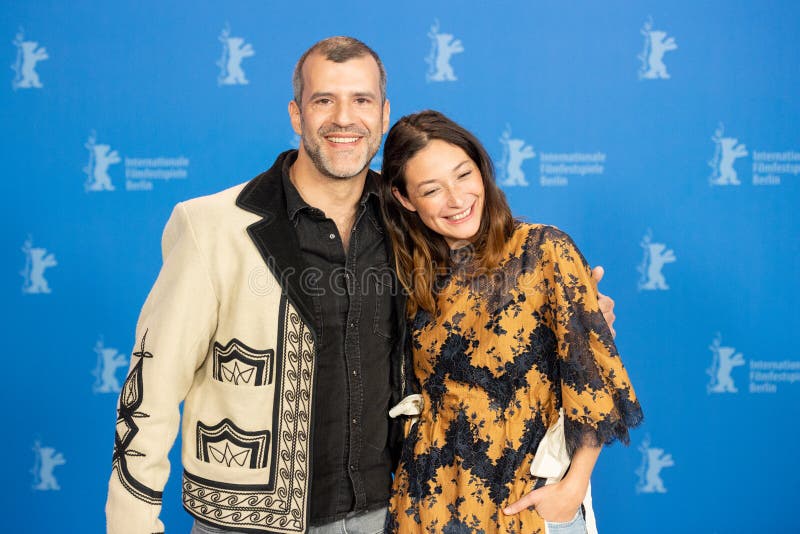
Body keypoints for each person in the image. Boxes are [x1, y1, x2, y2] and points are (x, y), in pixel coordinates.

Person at [105, 37, 617, 534]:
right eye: (324, 100)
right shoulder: (213, 226)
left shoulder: (413, 222)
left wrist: (576, 317)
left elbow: (488, 314)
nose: (344, 118)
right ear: (296, 114)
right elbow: (150, 389)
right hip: (249, 523)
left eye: (361, 100)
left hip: (388, 511)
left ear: (383, 113)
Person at [379, 110, 643, 533]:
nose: (456, 198)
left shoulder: (543, 250)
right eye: (431, 189)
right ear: (405, 199)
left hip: (526, 506)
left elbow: (591, 382)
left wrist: (573, 487)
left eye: (463, 175)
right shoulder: (405, 275)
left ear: (482, 170)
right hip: (427, 507)